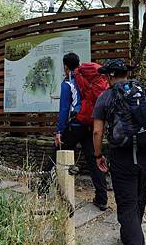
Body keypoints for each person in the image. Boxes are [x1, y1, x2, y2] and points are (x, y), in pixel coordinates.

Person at [92, 59, 146, 245]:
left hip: (122, 156)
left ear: (109, 76)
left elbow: (97, 132)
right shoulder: (144, 92)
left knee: (126, 206)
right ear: (126, 74)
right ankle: (131, 235)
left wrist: (98, 155)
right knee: (139, 196)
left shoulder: (105, 97)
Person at [44, 53, 108, 210]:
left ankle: (43, 187)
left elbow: (64, 109)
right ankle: (102, 198)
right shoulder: (87, 80)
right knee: (94, 161)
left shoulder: (68, 83)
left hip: (75, 126)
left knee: (57, 154)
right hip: (90, 125)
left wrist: (59, 131)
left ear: (66, 66)